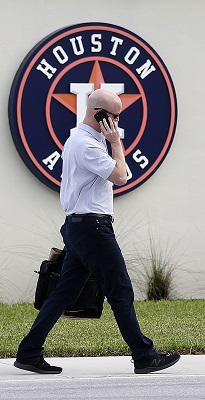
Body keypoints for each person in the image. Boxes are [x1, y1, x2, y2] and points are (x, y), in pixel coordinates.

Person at [14, 89, 180, 374]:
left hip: (80, 226)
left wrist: (110, 140)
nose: (117, 121)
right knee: (120, 290)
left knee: (64, 294)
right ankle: (144, 355)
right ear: (99, 114)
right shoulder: (87, 145)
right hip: (92, 228)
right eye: (115, 115)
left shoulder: (82, 140)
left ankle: (29, 352)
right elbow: (120, 176)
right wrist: (116, 142)